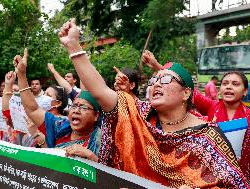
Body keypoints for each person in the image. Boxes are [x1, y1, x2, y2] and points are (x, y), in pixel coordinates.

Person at [57, 20, 249, 188]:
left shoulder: (207, 137)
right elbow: (99, 90)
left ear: (186, 93)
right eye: (154, 80)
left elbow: (233, 185)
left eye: (165, 80)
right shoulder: (137, 114)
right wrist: (74, 47)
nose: (156, 83)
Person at [142, 50, 250, 182]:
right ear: (219, 89)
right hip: (212, 171)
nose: (229, 87)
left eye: (235, 84)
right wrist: (158, 67)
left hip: (242, 170)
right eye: (225, 83)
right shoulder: (212, 107)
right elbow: (186, 90)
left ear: (245, 91)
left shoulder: (248, 114)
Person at [13, 48, 101, 162]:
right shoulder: (59, 127)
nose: (76, 111)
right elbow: (33, 110)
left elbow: (114, 176)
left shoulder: (104, 141)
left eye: (83, 107)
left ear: (96, 116)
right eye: (74, 106)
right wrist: (21, 74)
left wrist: (91, 157)